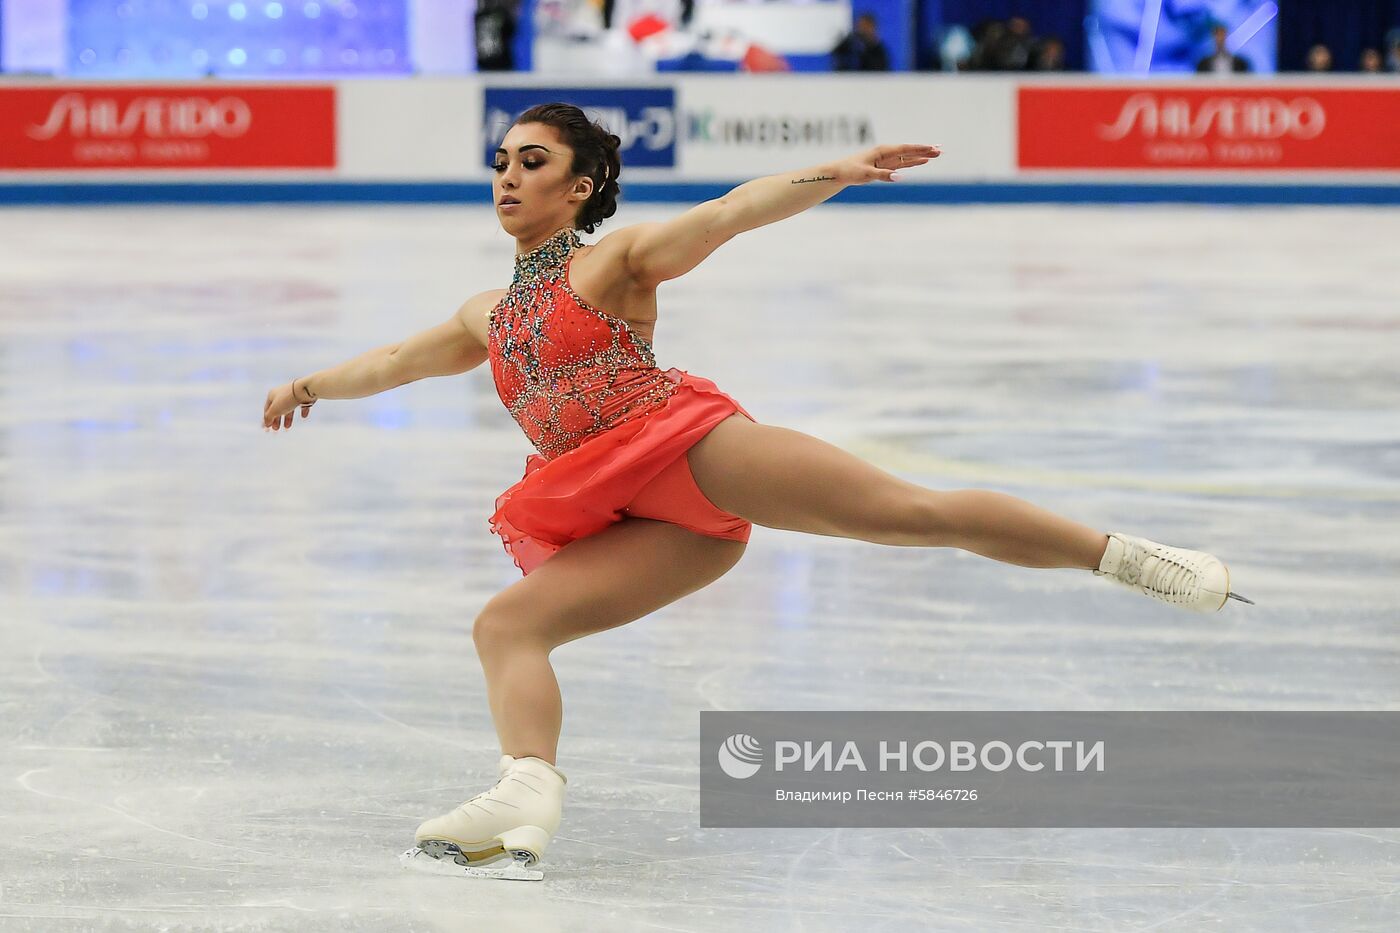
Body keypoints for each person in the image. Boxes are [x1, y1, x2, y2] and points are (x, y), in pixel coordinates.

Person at [261, 103, 1252, 878]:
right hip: (634, 515)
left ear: (582, 187)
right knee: (507, 627)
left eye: (532, 162)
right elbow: (396, 359)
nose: (508, 178)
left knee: (913, 515)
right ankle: (525, 790)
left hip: (684, 448)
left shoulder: (615, 261)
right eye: (501, 163)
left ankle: (1139, 560)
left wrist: (837, 173)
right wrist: (310, 384)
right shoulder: (487, 311)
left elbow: (729, 211)